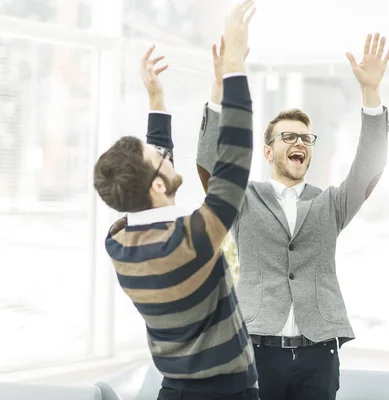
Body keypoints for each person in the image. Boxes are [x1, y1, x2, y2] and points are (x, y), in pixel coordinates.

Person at [194, 34, 389, 400]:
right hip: (255, 348)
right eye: (288, 137)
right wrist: (219, 86)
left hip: (319, 352)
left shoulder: (330, 204)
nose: (300, 142)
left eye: (306, 138)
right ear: (268, 152)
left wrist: (371, 96)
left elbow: (368, 170)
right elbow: (209, 167)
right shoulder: (244, 198)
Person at [93, 2, 260, 399]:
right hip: (227, 393)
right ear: (155, 187)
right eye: (160, 158)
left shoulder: (119, 242)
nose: (166, 154)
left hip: (174, 391)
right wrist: (235, 66)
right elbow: (233, 162)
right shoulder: (190, 241)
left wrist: (157, 99)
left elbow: (151, 189)